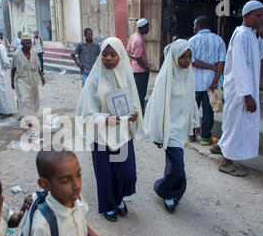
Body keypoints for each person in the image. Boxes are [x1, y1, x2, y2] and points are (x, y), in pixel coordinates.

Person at [76, 37, 145, 222]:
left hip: (121, 134)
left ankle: (119, 198)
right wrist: (105, 118)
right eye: (105, 54)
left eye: (113, 54)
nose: (108, 58)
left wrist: (134, 115)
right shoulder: (94, 80)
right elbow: (86, 112)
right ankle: (108, 206)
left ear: (120, 56)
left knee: (126, 172)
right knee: (105, 172)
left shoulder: (126, 76)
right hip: (100, 135)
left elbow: (134, 104)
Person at [29, 147, 108, 236]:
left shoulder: (75, 199)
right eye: (66, 180)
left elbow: (79, 220)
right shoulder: (42, 224)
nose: (77, 185)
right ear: (45, 184)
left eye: (78, 175)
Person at [213, 0, 263, 177]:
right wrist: (247, 95)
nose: (262, 19)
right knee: (237, 124)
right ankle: (226, 161)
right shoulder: (241, 35)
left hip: (245, 87)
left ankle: (221, 146)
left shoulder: (250, 34)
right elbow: (239, 66)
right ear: (246, 16)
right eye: (258, 15)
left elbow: (257, 56)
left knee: (233, 122)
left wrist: (262, 35)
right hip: (240, 90)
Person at [144, 39, 200, 213]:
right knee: (177, 164)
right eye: (182, 57)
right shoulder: (165, 77)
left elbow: (192, 101)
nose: (186, 61)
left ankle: (168, 189)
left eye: (189, 56)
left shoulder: (189, 74)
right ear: (175, 57)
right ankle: (166, 191)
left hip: (181, 127)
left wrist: (196, 122)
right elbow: (156, 106)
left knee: (174, 162)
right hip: (170, 127)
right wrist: (158, 133)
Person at [188, 15, 226, 146]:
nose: (193, 28)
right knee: (208, 111)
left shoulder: (192, 41)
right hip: (211, 82)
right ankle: (205, 137)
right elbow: (221, 63)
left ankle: (191, 135)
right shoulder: (219, 40)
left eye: (194, 26)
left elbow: (191, 61)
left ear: (198, 26)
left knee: (192, 109)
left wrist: (208, 66)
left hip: (195, 82)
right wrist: (215, 80)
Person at [11, 34, 45, 122]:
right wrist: (12, 81)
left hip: (33, 79)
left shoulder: (34, 53)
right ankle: (26, 119)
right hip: (21, 80)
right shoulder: (16, 55)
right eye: (26, 43)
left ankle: (30, 115)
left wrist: (41, 76)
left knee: (33, 98)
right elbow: (13, 69)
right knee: (24, 99)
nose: (29, 45)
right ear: (22, 43)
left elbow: (37, 66)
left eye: (30, 43)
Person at [0, 31, 17, 118]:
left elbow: (6, 62)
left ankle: (8, 111)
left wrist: (2, 72)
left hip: (2, 76)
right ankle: (2, 110)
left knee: (5, 94)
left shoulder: (1, 48)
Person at [127, 18, 150, 115]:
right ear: (143, 27)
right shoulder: (139, 40)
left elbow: (128, 51)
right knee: (140, 94)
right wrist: (146, 68)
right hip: (141, 71)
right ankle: (140, 112)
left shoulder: (133, 36)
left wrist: (134, 58)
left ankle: (136, 110)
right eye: (147, 27)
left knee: (136, 92)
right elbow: (139, 57)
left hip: (135, 69)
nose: (148, 29)